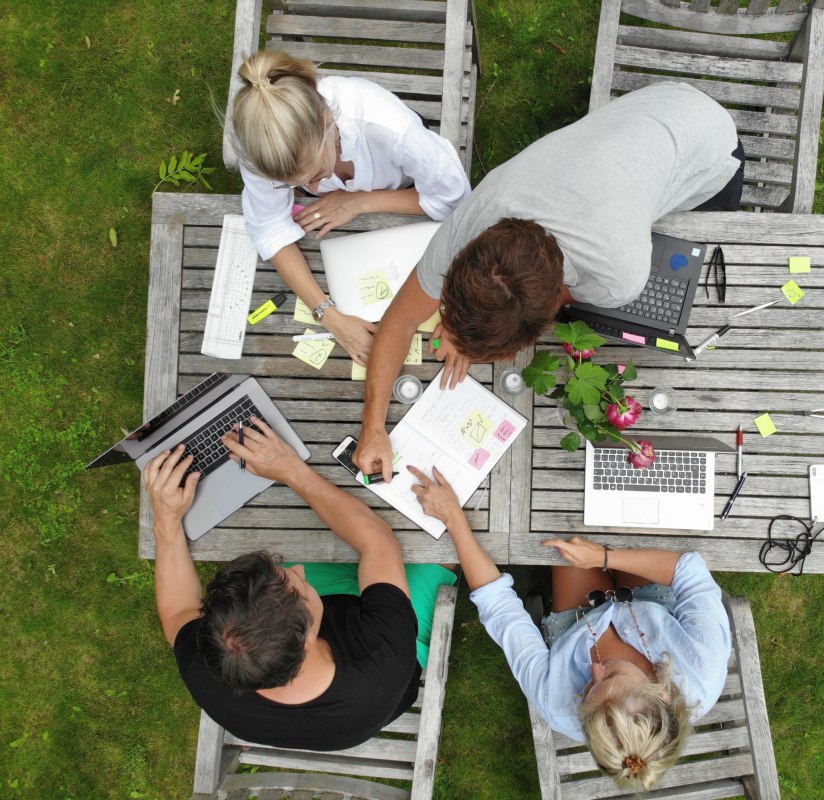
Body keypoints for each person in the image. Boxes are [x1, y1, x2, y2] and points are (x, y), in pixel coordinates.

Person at [354, 81, 743, 480]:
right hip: (652, 112)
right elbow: (399, 320)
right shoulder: (469, 225)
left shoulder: (618, 275)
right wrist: (373, 427)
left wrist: (474, 330)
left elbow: (545, 303)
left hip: (711, 149)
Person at [406, 464, 732, 792]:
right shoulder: (703, 665)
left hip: (578, 621)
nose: (594, 668)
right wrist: (604, 557)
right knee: (627, 500)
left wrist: (454, 520)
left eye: (587, 692)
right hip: (654, 601)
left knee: (558, 512)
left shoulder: (558, 703)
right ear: (662, 690)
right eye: (613, 676)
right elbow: (689, 569)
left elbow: (500, 608)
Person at [144, 417, 457, 751]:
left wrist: (167, 519)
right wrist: (291, 470)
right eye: (299, 587)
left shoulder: (211, 663)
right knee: (438, 539)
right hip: (383, 655)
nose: (300, 572)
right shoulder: (384, 656)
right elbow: (378, 543)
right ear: (309, 638)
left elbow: (178, 610)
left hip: (330, 663)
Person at [231, 50, 471, 364]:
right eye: (296, 185)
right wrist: (330, 317)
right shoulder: (261, 149)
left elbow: (454, 199)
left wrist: (358, 202)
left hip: (402, 189)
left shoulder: (392, 130)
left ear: (328, 123)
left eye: (317, 174)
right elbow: (269, 228)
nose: (315, 190)